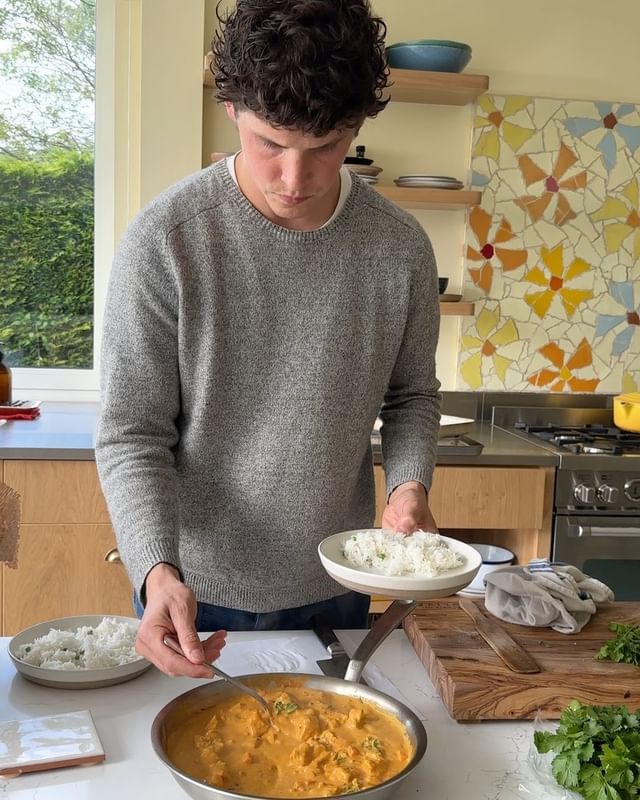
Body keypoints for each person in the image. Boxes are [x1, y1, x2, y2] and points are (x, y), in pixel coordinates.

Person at [95, 0, 442, 679]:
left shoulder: (400, 248)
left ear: (358, 127)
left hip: (340, 580)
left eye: (325, 148)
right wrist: (154, 569)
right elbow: (132, 431)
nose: (294, 178)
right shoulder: (166, 242)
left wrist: (408, 487)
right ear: (231, 109)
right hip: (194, 594)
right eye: (270, 144)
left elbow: (412, 397)